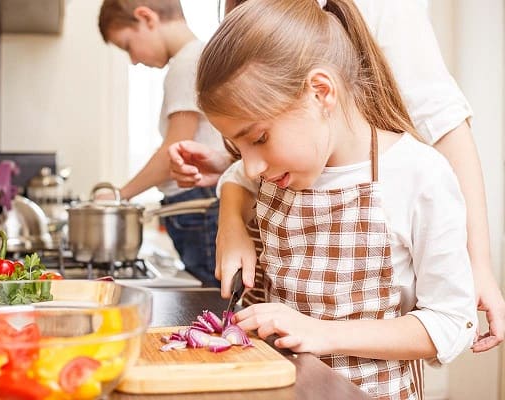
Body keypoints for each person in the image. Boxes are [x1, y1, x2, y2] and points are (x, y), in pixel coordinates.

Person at [169, 0, 505, 353]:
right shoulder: (282, 164)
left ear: (321, 92)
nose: (252, 165)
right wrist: (231, 224)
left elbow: (452, 323)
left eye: (259, 138)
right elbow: (238, 175)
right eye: (238, 145)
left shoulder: (419, 175)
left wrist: (320, 333)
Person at [97, 0, 225, 287]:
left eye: (128, 46)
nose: (132, 59)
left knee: (210, 299)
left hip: (197, 204)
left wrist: (121, 195)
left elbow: (174, 150)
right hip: (196, 204)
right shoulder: (194, 58)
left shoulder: (187, 63)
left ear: (146, 18)